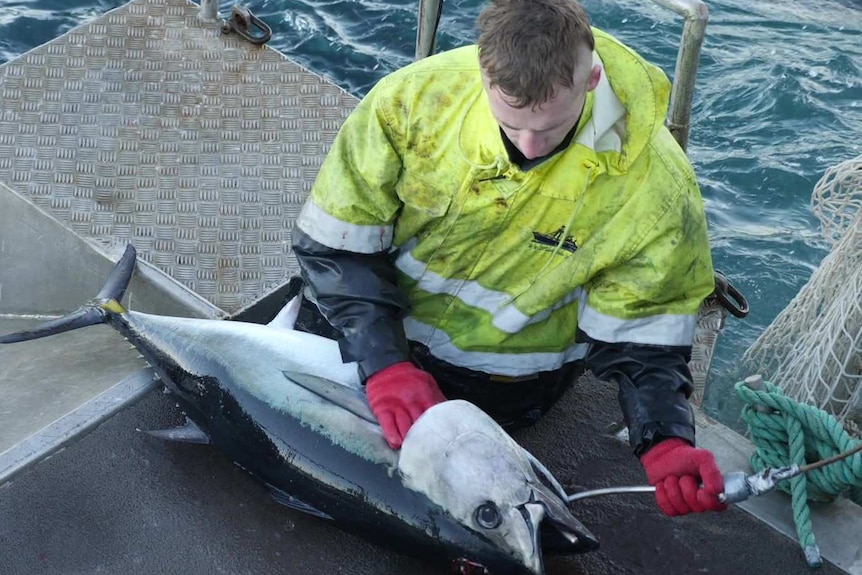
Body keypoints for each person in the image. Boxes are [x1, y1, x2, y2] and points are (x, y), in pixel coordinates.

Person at [291, 0, 726, 517]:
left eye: (549, 128)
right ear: (482, 72)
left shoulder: (659, 190)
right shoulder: (409, 100)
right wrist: (384, 361)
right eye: (511, 123)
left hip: (499, 391)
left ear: (592, 79)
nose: (529, 146)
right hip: (354, 338)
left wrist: (664, 439)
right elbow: (335, 245)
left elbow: (646, 339)